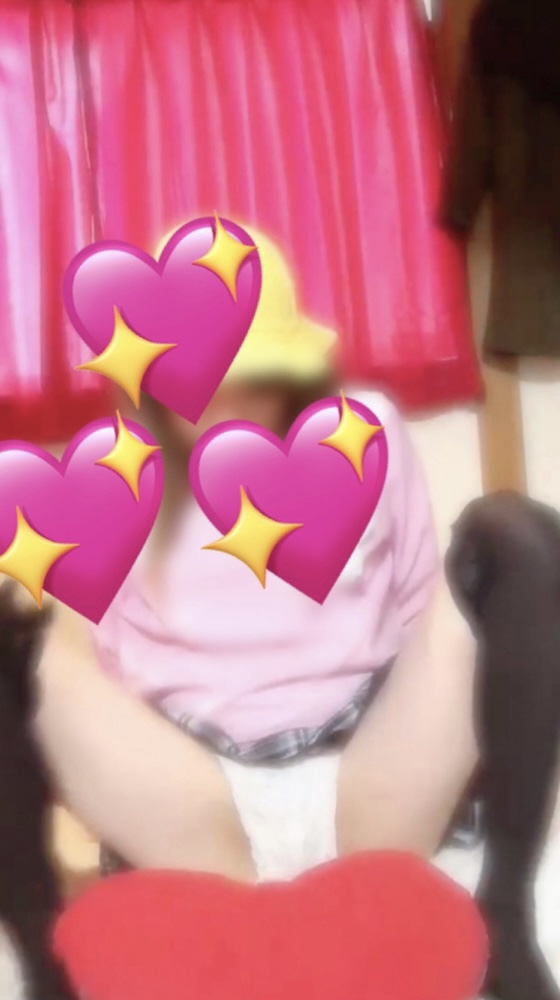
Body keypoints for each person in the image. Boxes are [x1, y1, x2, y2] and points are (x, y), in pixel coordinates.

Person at [34, 228, 479, 885]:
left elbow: (420, 599)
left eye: (250, 376)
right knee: (28, 651)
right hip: (195, 786)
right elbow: (96, 662)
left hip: (367, 759)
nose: (224, 402)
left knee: (494, 555)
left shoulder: (362, 432)